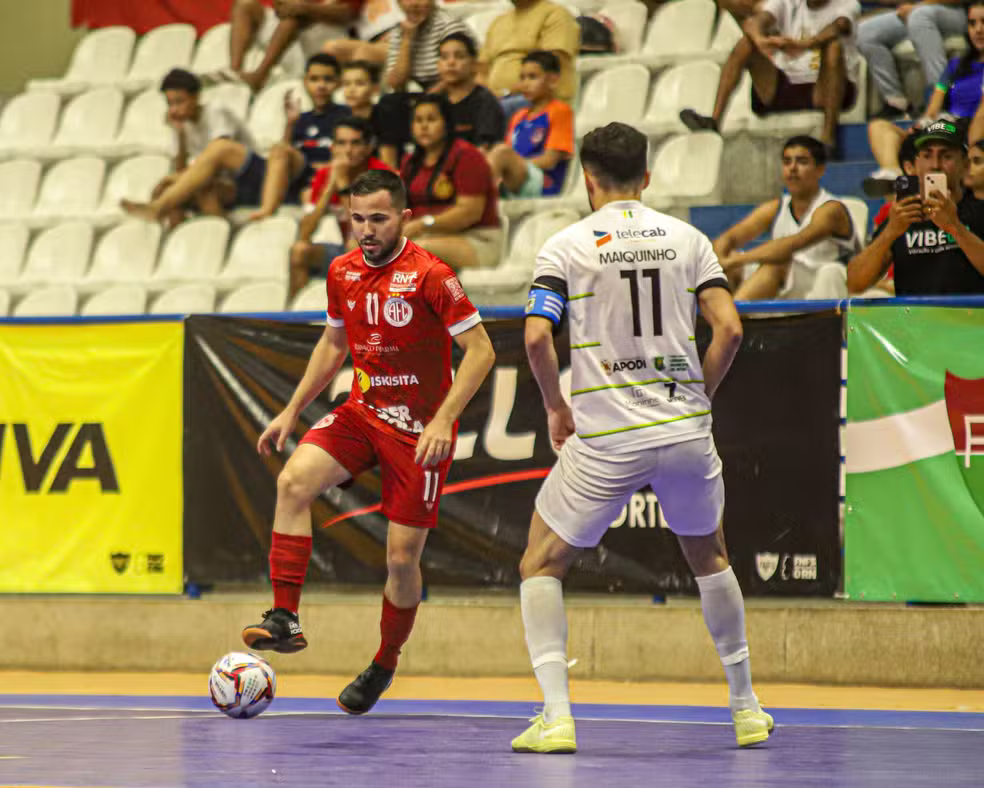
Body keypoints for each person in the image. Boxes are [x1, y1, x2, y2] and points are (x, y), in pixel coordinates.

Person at [513, 121, 772, 754]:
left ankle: (557, 716)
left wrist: (555, 408)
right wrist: (697, 397)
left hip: (608, 437)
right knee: (709, 556)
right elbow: (730, 331)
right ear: (647, 177)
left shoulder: (567, 245)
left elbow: (536, 337)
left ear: (587, 179)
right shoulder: (688, 239)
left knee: (540, 561)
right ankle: (745, 709)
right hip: (684, 429)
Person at [242, 169, 496, 715]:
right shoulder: (341, 271)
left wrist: (443, 420)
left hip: (418, 431)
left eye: (378, 218)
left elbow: (481, 352)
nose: (366, 230)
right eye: (357, 218)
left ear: (403, 217)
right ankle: (284, 617)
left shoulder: (431, 275)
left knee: (401, 559)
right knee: (293, 482)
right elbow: (334, 343)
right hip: (363, 411)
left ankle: (385, 662)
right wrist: (290, 410)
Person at [679, 0, 861, 155]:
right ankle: (714, 121)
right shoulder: (789, 3)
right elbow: (755, 22)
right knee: (747, 43)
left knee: (833, 48)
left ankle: (827, 139)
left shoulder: (847, 3)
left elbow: (840, 26)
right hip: (786, 83)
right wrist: (761, 40)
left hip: (825, 89)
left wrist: (806, 44)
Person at [712, 135, 859, 300]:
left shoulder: (831, 209)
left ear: (820, 170)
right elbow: (729, 237)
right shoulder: (775, 207)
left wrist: (736, 260)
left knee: (776, 264)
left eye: (802, 161)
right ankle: (717, 318)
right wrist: (721, 260)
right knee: (728, 269)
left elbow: (790, 246)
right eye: (787, 162)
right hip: (788, 280)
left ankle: (731, 318)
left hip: (824, 281)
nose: (793, 168)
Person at [848, 119, 984, 294]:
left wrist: (955, 228)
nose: (935, 165)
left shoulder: (979, 211)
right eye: (927, 156)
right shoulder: (903, 215)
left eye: (946, 156)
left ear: (965, 165)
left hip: (970, 319)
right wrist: (890, 232)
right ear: (916, 165)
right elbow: (855, 283)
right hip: (913, 320)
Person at [122, 69, 259, 222]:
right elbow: (181, 170)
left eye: (179, 101)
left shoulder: (215, 112)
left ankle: (219, 232)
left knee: (201, 189)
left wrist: (176, 179)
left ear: (196, 97)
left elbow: (218, 160)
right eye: (170, 103)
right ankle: (176, 237)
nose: (174, 109)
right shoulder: (182, 124)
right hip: (219, 182)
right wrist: (180, 136)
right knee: (165, 190)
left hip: (246, 180)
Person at [869, 1, 984, 179]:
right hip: (945, 126)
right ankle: (894, 175)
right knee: (878, 126)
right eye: (972, 23)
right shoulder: (954, 66)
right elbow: (933, 108)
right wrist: (922, 125)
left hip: (970, 133)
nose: (978, 30)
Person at [289, 117, 392, 295]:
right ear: (333, 147)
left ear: (368, 148)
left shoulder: (381, 176)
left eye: (356, 143)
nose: (348, 150)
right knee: (300, 251)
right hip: (346, 250)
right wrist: (330, 186)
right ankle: (296, 315)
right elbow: (305, 233)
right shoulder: (325, 175)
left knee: (355, 248)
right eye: (341, 143)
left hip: (380, 254)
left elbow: (365, 232)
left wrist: (343, 185)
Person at [400, 95, 504, 269]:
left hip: (475, 239)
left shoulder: (467, 156)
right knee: (361, 246)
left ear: (446, 123)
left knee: (415, 250)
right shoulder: (410, 162)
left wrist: (422, 225)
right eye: (418, 120)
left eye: (431, 119)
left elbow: (469, 213)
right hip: (425, 236)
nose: (424, 126)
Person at [248, 53, 350, 220]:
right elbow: (285, 155)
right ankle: (266, 210)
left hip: (328, 178)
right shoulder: (300, 118)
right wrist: (290, 124)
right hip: (300, 175)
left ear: (338, 83)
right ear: (305, 82)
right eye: (314, 79)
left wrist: (327, 166)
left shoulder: (346, 115)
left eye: (328, 80)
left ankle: (268, 210)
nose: (321, 86)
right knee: (279, 150)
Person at [375, 0, 469, 167]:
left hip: (447, 91)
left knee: (425, 109)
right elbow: (396, 82)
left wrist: (428, 98)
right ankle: (389, 172)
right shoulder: (400, 31)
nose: (414, 3)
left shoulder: (448, 26)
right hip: (420, 94)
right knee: (388, 104)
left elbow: (458, 72)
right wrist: (407, 40)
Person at [858, 0, 967, 119]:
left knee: (919, 16)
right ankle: (896, 102)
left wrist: (918, 6)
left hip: (963, 12)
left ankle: (941, 98)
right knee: (866, 32)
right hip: (923, 8)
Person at [487, 50, 574, 199]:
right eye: (522, 78)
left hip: (543, 182)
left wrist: (514, 165)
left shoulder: (560, 111)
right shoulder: (518, 117)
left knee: (500, 153)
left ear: (553, 80)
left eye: (532, 77)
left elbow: (549, 160)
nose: (525, 84)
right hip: (515, 179)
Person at [478, 0, 581, 120]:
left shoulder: (556, 14)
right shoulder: (498, 22)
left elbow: (551, 63)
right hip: (500, 101)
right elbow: (480, 71)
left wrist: (507, 93)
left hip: (537, 101)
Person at [227, 0, 360, 91]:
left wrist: (305, 8)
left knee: (294, 17)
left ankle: (259, 76)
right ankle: (233, 72)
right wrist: (285, 5)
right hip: (287, 29)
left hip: (327, 32)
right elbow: (280, 5)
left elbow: (347, 14)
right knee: (245, 5)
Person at [435, 32, 506, 151]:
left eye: (459, 56)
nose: (451, 62)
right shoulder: (435, 102)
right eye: (444, 57)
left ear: (474, 65)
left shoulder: (484, 101)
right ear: (438, 65)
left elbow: (484, 149)